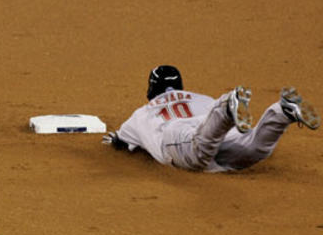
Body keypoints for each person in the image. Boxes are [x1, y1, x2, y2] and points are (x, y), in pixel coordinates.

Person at [102, 65, 320, 172]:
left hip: (179, 133)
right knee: (252, 149)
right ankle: (282, 112)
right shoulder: (200, 97)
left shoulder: (142, 112)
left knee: (198, 155)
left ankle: (226, 109)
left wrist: (115, 141)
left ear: (151, 89)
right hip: (213, 126)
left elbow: (121, 142)